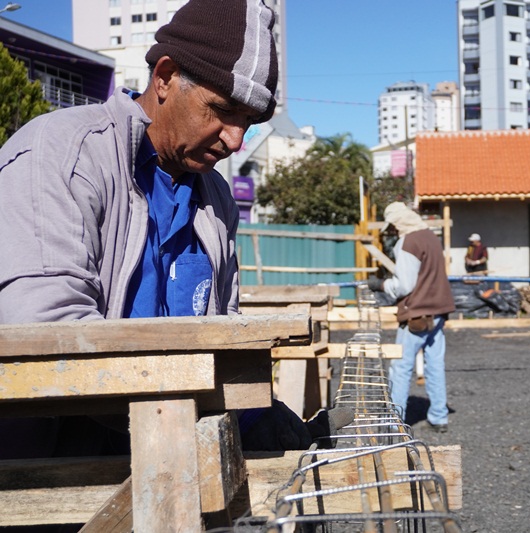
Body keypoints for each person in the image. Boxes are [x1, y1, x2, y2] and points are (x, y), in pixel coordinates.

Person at [0, 0, 343, 459]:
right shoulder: (62, 158)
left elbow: (222, 334)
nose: (236, 139)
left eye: (249, 121)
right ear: (164, 78)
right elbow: (49, 345)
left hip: (171, 466)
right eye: (221, 109)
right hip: (52, 477)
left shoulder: (216, 198)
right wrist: (219, 409)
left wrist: (256, 410)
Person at [368, 202, 456, 433]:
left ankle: (396, 421)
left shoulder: (408, 242)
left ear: (398, 223)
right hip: (438, 312)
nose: (394, 231)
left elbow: (405, 285)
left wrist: (381, 284)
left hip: (417, 314)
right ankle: (439, 416)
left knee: (400, 366)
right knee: (435, 364)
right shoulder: (430, 237)